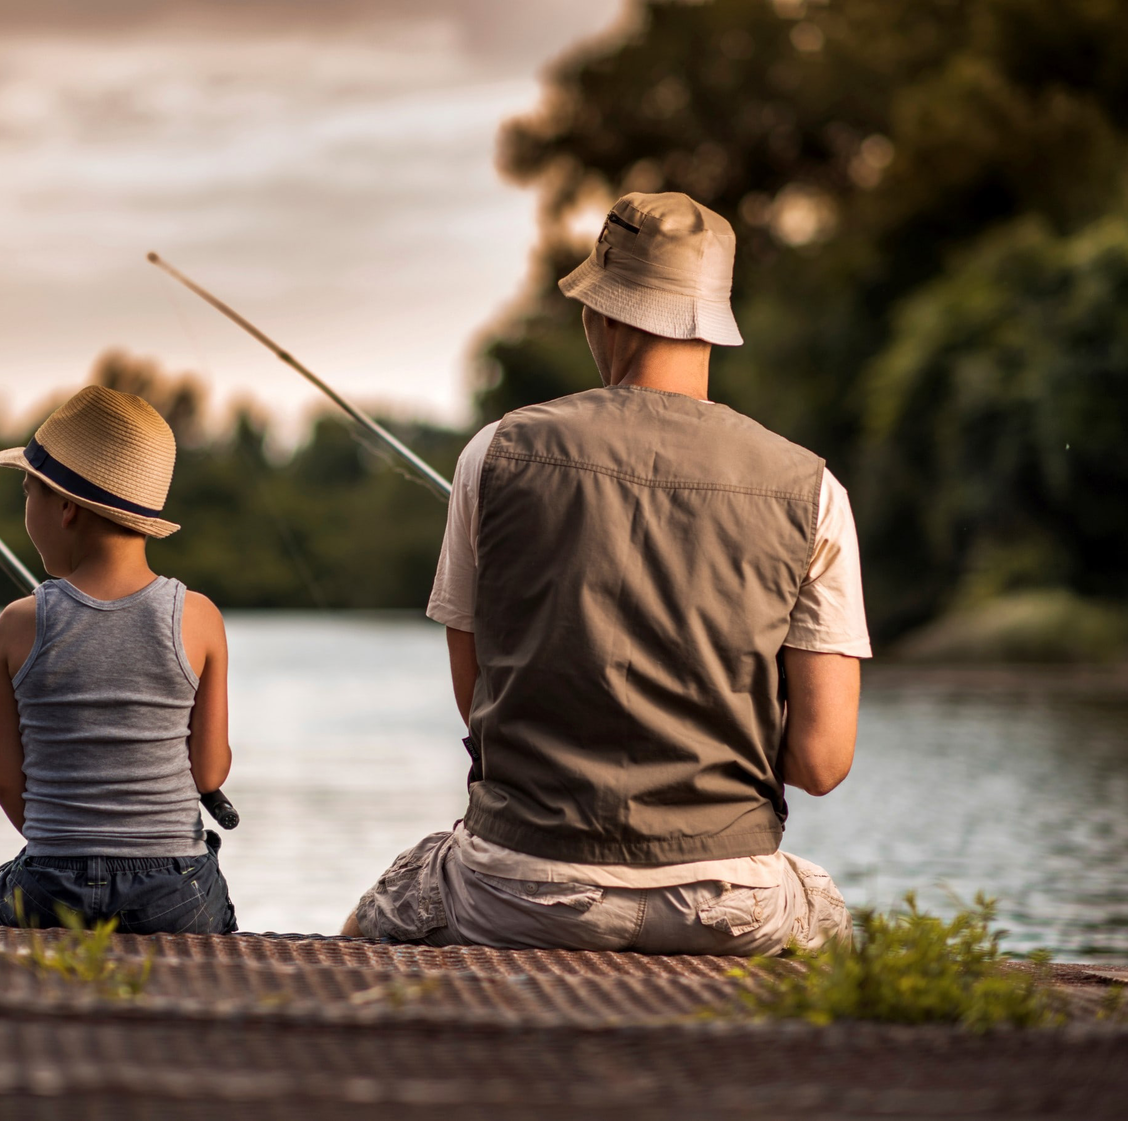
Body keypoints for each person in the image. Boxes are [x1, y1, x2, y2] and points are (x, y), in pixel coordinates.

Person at [343, 192, 869, 955]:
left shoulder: (492, 454)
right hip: (730, 901)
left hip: (516, 887)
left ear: (606, 312)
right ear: (711, 325)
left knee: (366, 921)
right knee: (838, 932)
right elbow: (821, 763)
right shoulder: (813, 490)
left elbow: (477, 698)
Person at [0, 385, 237, 934]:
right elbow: (209, 771)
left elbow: (7, 782)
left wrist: (67, 853)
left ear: (64, 508)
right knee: (211, 906)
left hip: (49, 884)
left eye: (27, 492)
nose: (25, 509)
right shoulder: (199, 617)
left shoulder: (18, 623)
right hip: (174, 888)